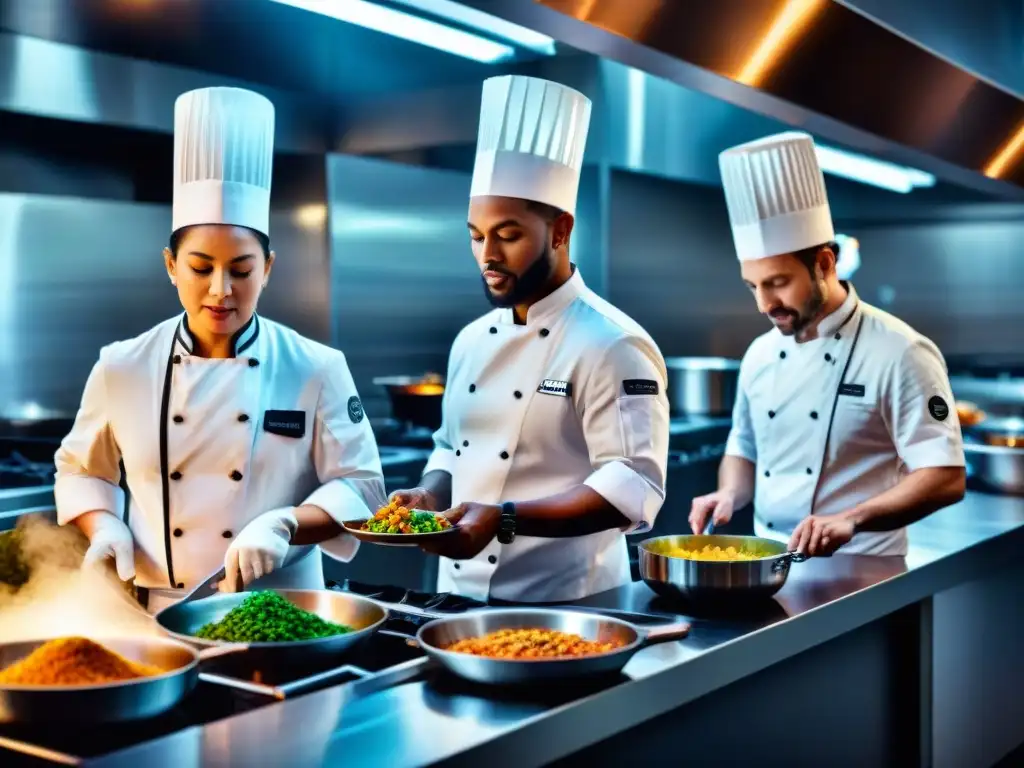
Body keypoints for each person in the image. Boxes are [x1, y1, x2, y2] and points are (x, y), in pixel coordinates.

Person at [54, 87, 385, 612]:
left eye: (242, 270)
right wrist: (105, 527)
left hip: (285, 610)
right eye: (201, 268)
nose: (220, 290)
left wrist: (286, 523)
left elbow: (363, 487)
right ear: (170, 265)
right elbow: (81, 469)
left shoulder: (316, 366)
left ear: (269, 268)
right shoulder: (122, 365)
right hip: (161, 611)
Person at [390, 75, 671, 603]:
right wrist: (429, 494)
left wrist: (504, 520)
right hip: (455, 601)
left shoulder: (614, 344)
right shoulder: (470, 341)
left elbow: (632, 488)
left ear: (560, 230)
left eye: (508, 235)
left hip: (571, 605)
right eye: (475, 236)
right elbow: (452, 448)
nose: (487, 256)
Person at [689, 131, 965, 556]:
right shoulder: (759, 354)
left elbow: (945, 476)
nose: (764, 304)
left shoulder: (901, 351)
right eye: (752, 286)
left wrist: (851, 519)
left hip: (865, 568)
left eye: (778, 283)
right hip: (768, 562)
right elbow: (743, 446)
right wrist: (728, 493)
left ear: (824, 264)